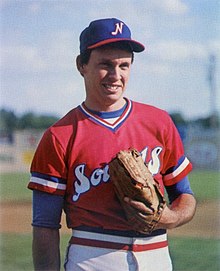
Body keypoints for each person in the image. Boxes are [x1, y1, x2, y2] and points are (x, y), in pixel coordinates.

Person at [28, 18, 196, 271]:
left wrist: (170, 217)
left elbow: (185, 196)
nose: (116, 75)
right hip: (93, 258)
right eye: (105, 65)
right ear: (81, 65)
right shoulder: (60, 136)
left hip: (157, 256)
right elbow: (44, 225)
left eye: (124, 65)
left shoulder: (159, 122)